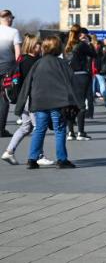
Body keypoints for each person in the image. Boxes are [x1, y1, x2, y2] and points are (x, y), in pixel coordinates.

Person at [14, 36, 81, 169]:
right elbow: (71, 83)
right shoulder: (62, 63)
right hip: (58, 102)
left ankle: (32, 159)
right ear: (58, 47)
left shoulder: (38, 63)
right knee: (60, 129)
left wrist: (19, 106)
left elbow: (27, 84)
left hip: (39, 103)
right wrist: (78, 103)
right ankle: (62, 159)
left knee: (39, 129)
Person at [1, 35, 54, 166]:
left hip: (22, 98)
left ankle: (9, 151)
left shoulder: (21, 60)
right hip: (30, 98)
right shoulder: (31, 61)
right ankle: (39, 155)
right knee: (38, 127)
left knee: (26, 127)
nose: (40, 47)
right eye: (37, 45)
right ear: (31, 46)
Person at [63, 25, 96, 140]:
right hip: (82, 75)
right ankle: (80, 132)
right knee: (81, 104)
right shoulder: (82, 45)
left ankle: (70, 132)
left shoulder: (67, 46)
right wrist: (88, 43)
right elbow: (94, 54)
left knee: (71, 104)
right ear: (81, 34)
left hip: (70, 76)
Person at [0, 10, 22, 137]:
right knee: (3, 99)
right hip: (7, 69)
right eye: (12, 17)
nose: (12, 20)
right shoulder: (14, 32)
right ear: (8, 18)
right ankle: (1, 129)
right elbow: (18, 53)